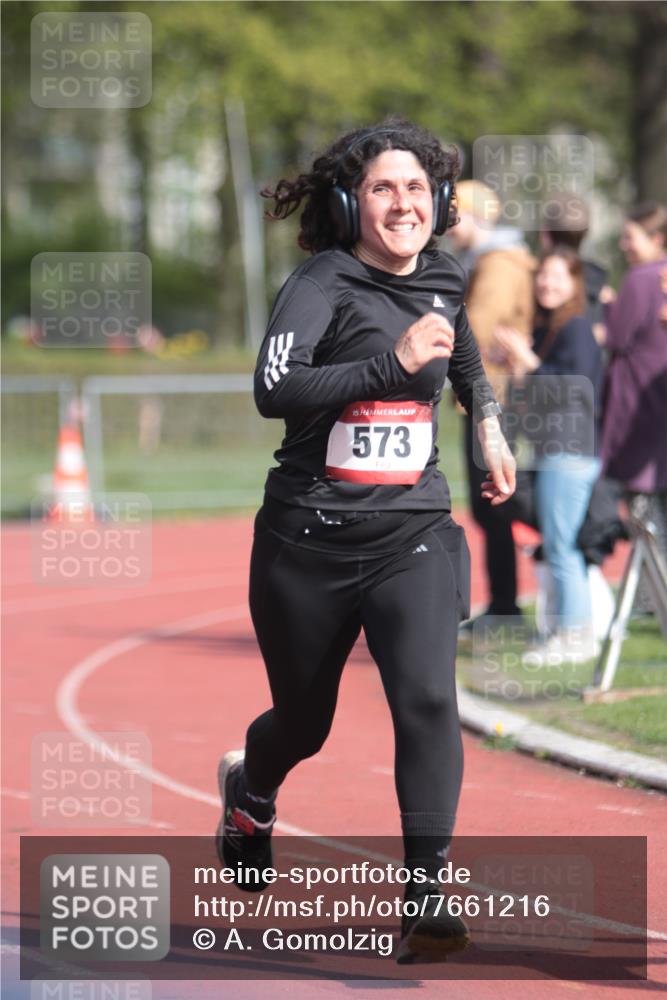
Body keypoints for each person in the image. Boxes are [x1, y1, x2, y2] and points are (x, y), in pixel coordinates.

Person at [215, 119, 515, 965]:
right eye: (383, 188)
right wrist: (389, 365)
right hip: (306, 539)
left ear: (439, 200)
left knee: (426, 700)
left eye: (417, 188)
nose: (403, 204)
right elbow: (274, 388)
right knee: (303, 724)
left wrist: (487, 421)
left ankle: (426, 896)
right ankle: (251, 790)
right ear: (352, 202)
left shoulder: (444, 277)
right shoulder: (321, 283)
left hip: (410, 531)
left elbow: (459, 354)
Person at [496, 246, 603, 665]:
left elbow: (572, 390)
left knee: (562, 547)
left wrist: (528, 361)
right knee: (558, 544)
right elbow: (533, 395)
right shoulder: (550, 328)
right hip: (552, 449)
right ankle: (565, 632)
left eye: (558, 276)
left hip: (570, 450)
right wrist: (517, 364)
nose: (547, 283)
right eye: (543, 274)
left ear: (575, 283)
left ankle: (575, 636)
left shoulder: (576, 328)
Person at [447, 180, 536, 626]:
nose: (446, 223)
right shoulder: (485, 260)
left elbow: (475, 329)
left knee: (495, 500)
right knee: (490, 504)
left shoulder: (498, 263)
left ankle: (506, 605)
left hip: (493, 398)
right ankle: (504, 603)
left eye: (454, 214)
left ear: (476, 215)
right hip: (487, 395)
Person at [599, 201, 667, 598]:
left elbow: (617, 336)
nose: (624, 245)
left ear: (655, 238)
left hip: (639, 403)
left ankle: (652, 591)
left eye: (631, 237)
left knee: (644, 509)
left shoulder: (643, 277)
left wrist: (608, 306)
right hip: (657, 400)